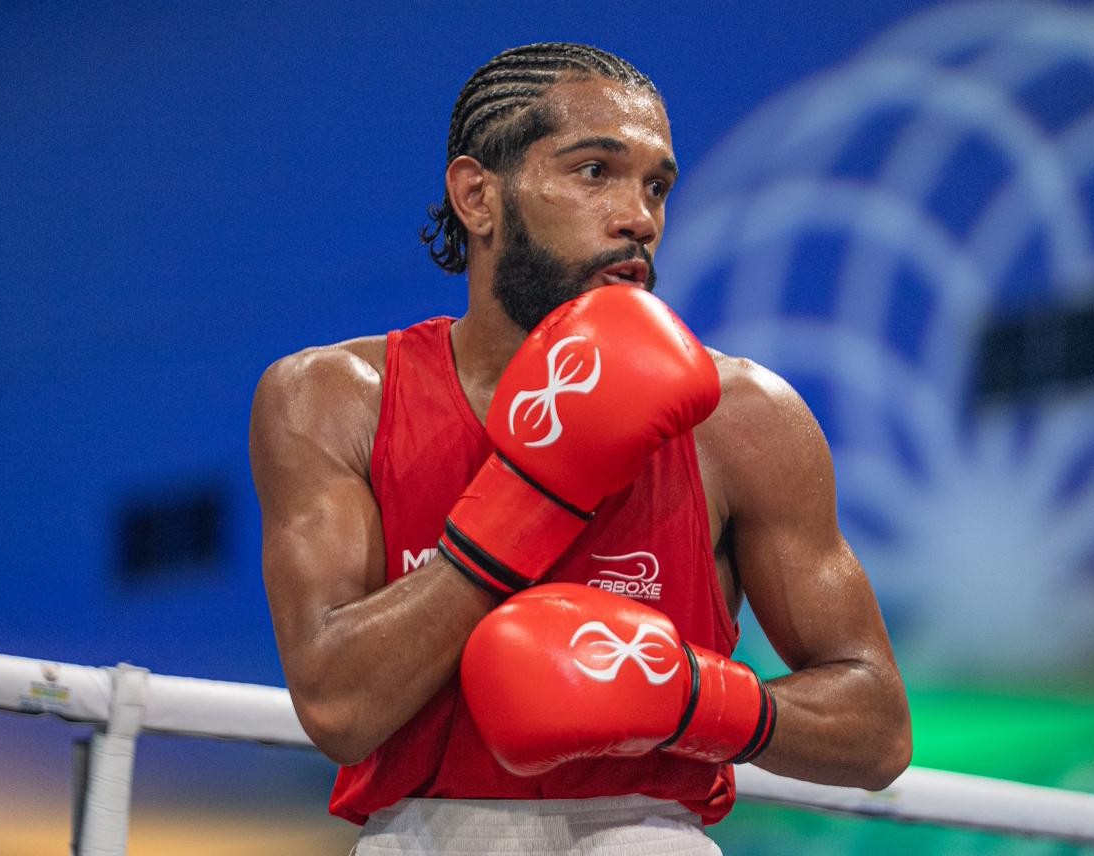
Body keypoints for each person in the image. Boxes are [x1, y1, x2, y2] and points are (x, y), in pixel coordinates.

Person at [249, 42, 911, 855]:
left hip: (648, 832)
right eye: (595, 170)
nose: (640, 215)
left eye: (657, 185)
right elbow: (338, 709)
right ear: (477, 195)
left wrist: (693, 700)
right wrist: (535, 491)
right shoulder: (334, 397)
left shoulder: (741, 418)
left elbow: (878, 729)